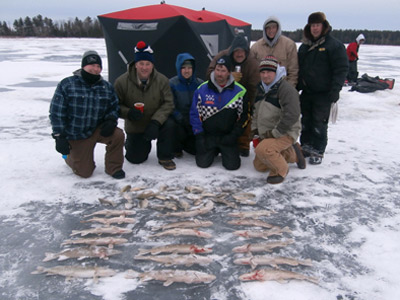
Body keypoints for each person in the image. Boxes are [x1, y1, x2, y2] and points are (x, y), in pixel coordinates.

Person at [49, 50, 125, 179]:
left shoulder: (106, 87)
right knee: (84, 172)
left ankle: (114, 168)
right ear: (83, 66)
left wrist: (111, 120)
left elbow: (113, 107)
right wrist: (59, 136)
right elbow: (57, 112)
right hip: (77, 133)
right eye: (91, 65)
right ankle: (68, 157)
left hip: (97, 129)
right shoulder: (67, 84)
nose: (95, 69)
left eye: (98, 66)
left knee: (117, 135)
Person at [114, 41, 176, 170]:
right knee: (135, 159)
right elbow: (115, 105)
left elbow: (168, 103)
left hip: (156, 123)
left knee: (170, 124)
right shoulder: (121, 82)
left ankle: (165, 156)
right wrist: (128, 112)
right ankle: (134, 144)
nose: (144, 67)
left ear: (152, 65)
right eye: (141, 63)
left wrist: (156, 122)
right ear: (135, 64)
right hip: (136, 125)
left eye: (148, 64)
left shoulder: (162, 80)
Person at [297, 12, 348, 165]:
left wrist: (335, 90)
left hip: (324, 93)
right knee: (305, 121)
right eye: (312, 25)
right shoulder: (305, 46)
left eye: (317, 25)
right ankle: (305, 146)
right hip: (306, 92)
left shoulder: (334, 45)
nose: (315, 28)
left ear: (323, 26)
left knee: (319, 122)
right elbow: (298, 67)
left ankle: (318, 150)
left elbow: (341, 68)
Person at [251, 56, 306, 184]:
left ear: (276, 72)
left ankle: (281, 170)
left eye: (269, 72)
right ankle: (293, 154)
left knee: (263, 150)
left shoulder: (286, 89)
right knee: (259, 166)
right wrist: (254, 130)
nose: (265, 76)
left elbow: (292, 115)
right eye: (263, 72)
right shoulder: (260, 88)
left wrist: (276, 133)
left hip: (285, 131)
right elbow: (256, 112)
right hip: (268, 132)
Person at [190, 56, 248, 170]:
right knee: (202, 164)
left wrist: (234, 135)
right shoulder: (202, 89)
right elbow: (194, 114)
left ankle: (224, 149)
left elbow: (244, 117)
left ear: (229, 73)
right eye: (217, 69)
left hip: (228, 136)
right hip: (208, 135)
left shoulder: (240, 91)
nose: (219, 74)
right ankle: (213, 150)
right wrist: (199, 135)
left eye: (223, 71)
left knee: (232, 166)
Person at [206, 34, 259, 157]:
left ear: (246, 51)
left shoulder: (252, 63)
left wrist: (249, 107)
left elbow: (254, 88)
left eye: (242, 51)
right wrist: (228, 78)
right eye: (237, 51)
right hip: (220, 95)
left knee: (246, 116)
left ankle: (243, 144)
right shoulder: (222, 56)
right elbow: (208, 74)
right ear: (232, 50)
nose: (239, 54)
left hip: (242, 97)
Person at [169, 53, 204, 157]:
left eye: (189, 68)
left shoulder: (199, 84)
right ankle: (176, 147)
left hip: (195, 121)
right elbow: (170, 105)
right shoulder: (172, 83)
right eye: (183, 68)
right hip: (179, 120)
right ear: (179, 68)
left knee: (197, 150)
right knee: (172, 127)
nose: (187, 70)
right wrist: (180, 118)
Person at [250, 16, 299, 87]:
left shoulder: (289, 45)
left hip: (283, 89)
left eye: (273, 28)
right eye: (268, 28)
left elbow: (293, 72)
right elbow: (253, 72)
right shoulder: (255, 47)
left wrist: (289, 90)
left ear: (278, 29)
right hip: (262, 90)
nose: (271, 31)